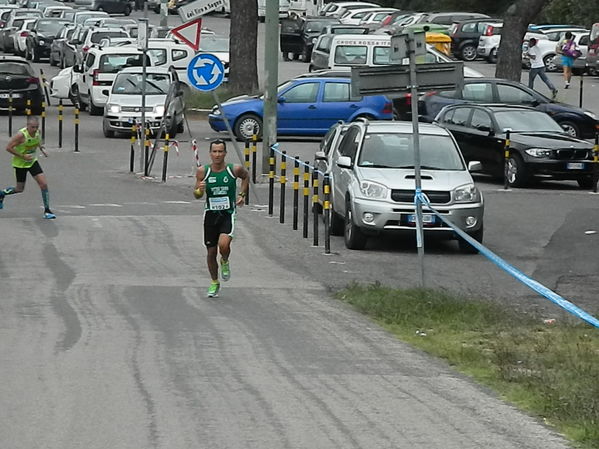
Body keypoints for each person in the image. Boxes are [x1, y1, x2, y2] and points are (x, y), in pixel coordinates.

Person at [194, 139, 249, 298]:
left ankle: (224, 260)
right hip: (211, 215)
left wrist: (242, 195)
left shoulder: (234, 169)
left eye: (220, 151)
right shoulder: (203, 171)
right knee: (211, 253)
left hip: (227, 213)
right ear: (210, 153)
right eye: (214, 151)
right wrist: (200, 189)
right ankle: (214, 282)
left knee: (223, 245)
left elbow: (246, 177)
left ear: (225, 153)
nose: (217, 154)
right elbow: (197, 195)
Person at [0, 116, 56, 219]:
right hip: (20, 164)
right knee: (19, 189)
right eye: (32, 127)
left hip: (32, 162)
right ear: (27, 126)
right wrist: (22, 156)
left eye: (36, 127)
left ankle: (47, 210)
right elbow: (8, 148)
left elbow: (38, 141)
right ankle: (2, 193)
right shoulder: (21, 135)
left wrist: (42, 149)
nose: (35, 129)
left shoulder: (37, 132)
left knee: (43, 184)